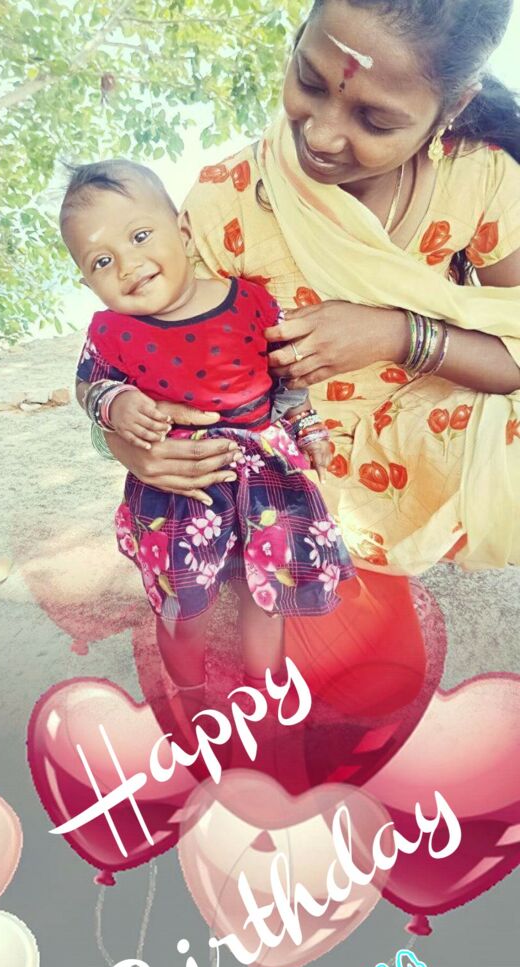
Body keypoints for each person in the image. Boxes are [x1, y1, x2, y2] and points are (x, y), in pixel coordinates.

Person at [83, 0, 520, 583]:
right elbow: (134, 361)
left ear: (453, 107)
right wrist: (128, 441)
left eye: (376, 122)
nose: (321, 133)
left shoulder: (480, 179)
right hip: (282, 469)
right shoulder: (224, 205)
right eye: (309, 81)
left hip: (436, 436)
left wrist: (397, 335)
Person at [61, 160, 355, 715]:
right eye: (101, 261)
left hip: (267, 481)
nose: (128, 264)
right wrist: (114, 403)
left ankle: (265, 692)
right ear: (87, 283)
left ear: (184, 231)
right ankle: (188, 693)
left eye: (140, 236)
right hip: (180, 492)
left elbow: (287, 377)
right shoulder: (111, 332)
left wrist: (306, 424)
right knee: (183, 607)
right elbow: (88, 385)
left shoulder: (251, 302)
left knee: (265, 594)